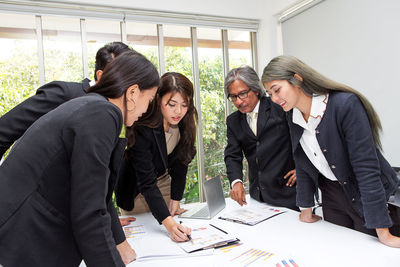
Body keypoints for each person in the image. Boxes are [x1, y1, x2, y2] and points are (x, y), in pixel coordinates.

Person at [0, 51, 160, 266]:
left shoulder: (91, 106)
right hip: (23, 238)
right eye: (149, 100)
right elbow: (90, 212)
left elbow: (98, 196)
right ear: (132, 93)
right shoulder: (102, 114)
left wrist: (117, 246)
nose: (147, 110)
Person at [262, 55, 400, 247]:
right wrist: (306, 208)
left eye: (277, 90)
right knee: (338, 250)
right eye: (270, 94)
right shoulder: (292, 115)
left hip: (365, 196)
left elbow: (366, 169)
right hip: (332, 194)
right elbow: (302, 161)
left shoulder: (344, 105)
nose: (275, 99)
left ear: (297, 78)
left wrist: (383, 231)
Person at [0, 41, 131, 158]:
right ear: (101, 75)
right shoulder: (64, 94)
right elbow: (4, 130)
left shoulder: (118, 111)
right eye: (124, 77)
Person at [116, 72, 197, 242]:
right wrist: (168, 223)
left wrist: (175, 198)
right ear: (159, 99)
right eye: (172, 104)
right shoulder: (142, 126)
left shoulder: (184, 121)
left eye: (184, 105)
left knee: (172, 233)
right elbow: (146, 182)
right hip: (136, 188)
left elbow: (182, 162)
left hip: (162, 181)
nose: (178, 111)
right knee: (148, 237)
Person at [223, 66, 298, 211]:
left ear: (256, 89)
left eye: (243, 94)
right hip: (258, 198)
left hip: (289, 195)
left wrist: (302, 168)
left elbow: (303, 139)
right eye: (233, 97)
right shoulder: (233, 121)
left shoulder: (280, 107)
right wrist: (236, 181)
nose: (238, 101)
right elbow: (232, 155)